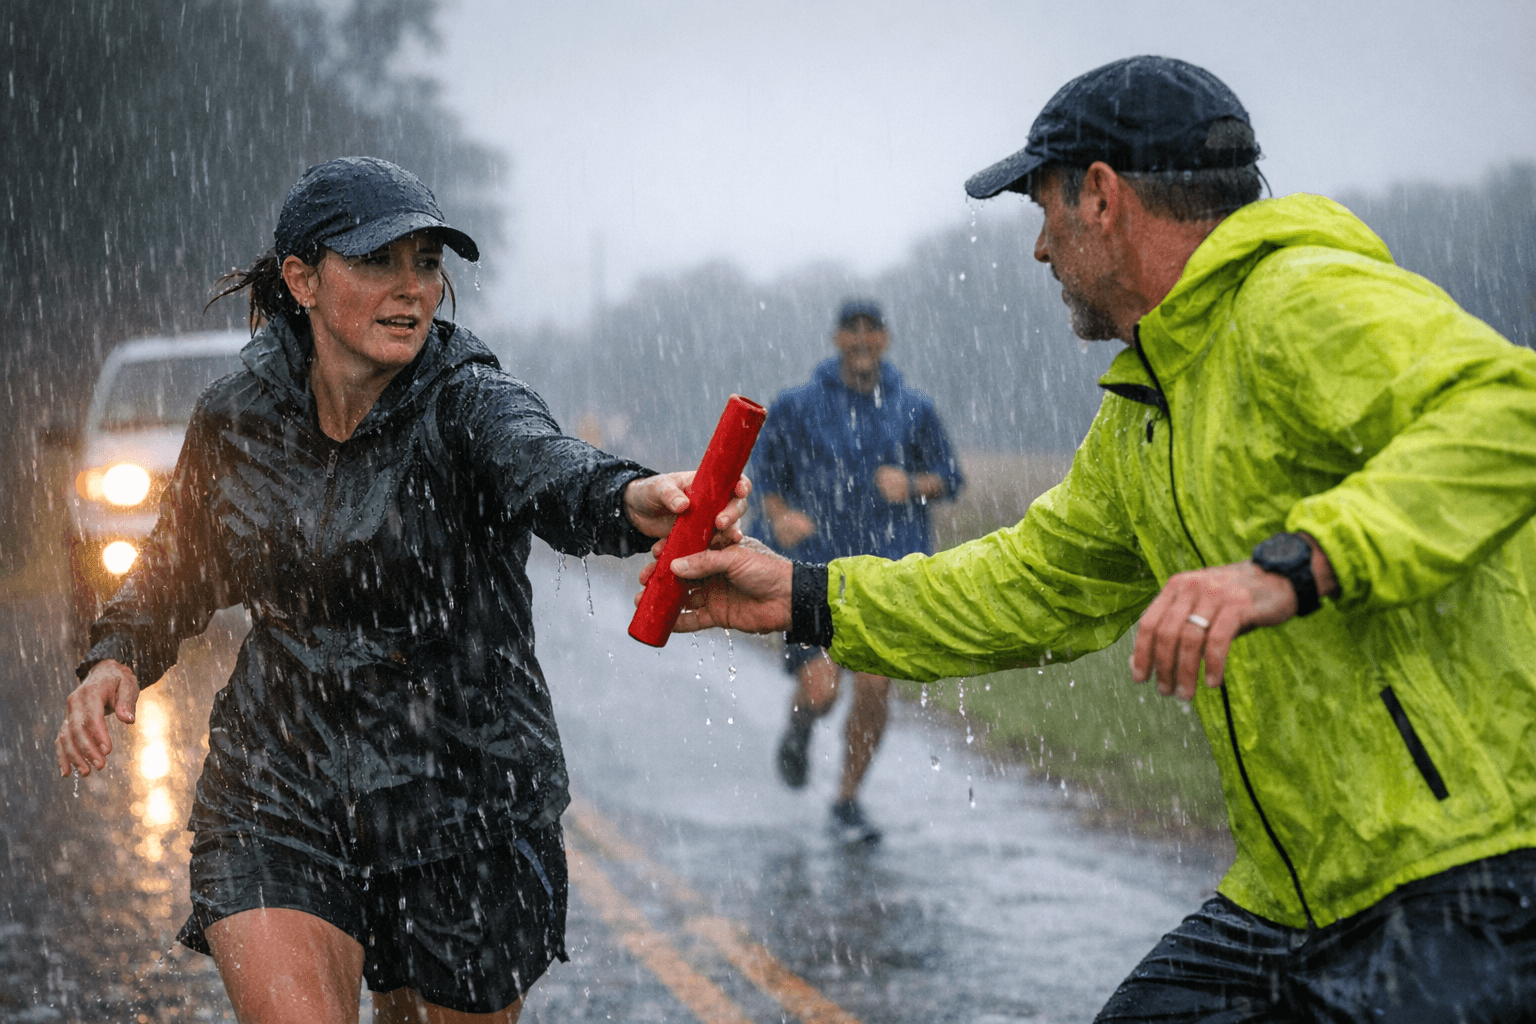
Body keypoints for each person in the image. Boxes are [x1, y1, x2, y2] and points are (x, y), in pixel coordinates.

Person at [650, 56, 1536, 1021]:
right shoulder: (1150, 401)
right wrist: (804, 595)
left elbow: (1510, 413)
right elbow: (1032, 582)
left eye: (1043, 209)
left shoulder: (1300, 299)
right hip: (1298, 891)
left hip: (1469, 865)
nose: (1039, 250)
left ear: (1102, 197)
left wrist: (1297, 564)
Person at [53, 156, 748, 1024]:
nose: (411, 288)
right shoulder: (235, 418)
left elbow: (557, 473)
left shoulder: (471, 403)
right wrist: (117, 654)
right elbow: (177, 569)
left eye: (425, 262)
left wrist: (633, 498)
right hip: (282, 788)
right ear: (301, 280)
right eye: (378, 262)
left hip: (464, 801)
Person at [751, 298, 962, 845]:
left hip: (890, 573)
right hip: (816, 570)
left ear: (886, 339)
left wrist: (913, 484)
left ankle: (847, 801)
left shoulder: (914, 408)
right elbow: (765, 474)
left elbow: (951, 477)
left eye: (872, 330)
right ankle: (800, 725)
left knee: (873, 688)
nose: (862, 340)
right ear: (836, 338)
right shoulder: (797, 406)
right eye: (852, 331)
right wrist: (780, 516)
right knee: (820, 691)